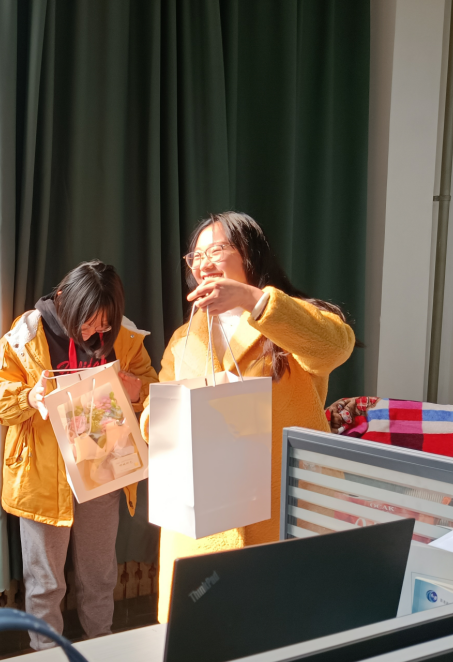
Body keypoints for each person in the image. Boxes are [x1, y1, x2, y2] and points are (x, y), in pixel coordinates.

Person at [141, 211, 356, 622]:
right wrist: (168, 415)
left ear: (250, 254)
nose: (202, 263)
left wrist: (251, 300)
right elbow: (156, 418)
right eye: (195, 256)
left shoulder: (290, 317)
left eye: (216, 250)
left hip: (284, 514)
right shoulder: (184, 339)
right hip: (203, 525)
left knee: (286, 630)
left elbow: (336, 347)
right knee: (202, 640)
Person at [0, 261, 159, 650]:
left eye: (105, 325)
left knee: (100, 574)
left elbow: (153, 387)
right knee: (45, 582)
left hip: (102, 466)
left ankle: (102, 648)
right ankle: (47, 661)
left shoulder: (125, 336)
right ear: (63, 299)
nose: (96, 333)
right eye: (88, 323)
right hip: (42, 474)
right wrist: (30, 397)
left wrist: (138, 391)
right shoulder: (26, 335)